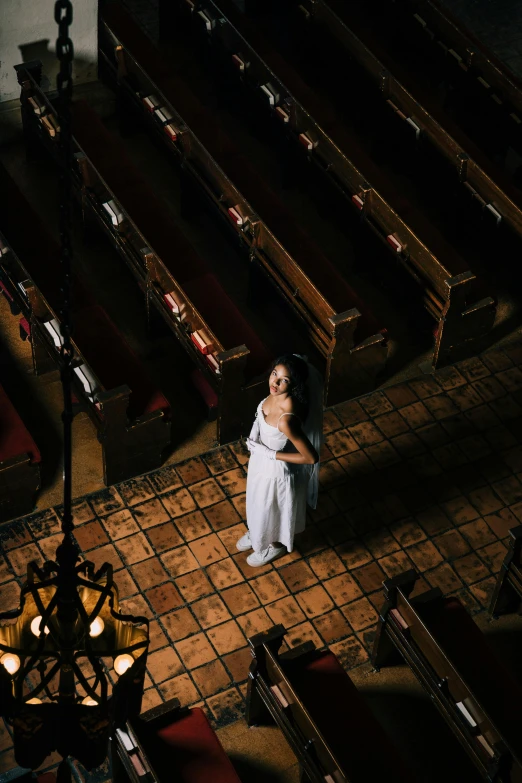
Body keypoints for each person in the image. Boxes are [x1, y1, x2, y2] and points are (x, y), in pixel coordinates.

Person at [237, 354, 323, 567]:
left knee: (271, 508)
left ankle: (274, 546)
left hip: (276, 473)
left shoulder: (287, 419)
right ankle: (257, 532)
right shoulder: (272, 395)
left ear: (293, 385)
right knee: (259, 503)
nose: (274, 382)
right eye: (275, 374)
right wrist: (255, 433)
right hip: (261, 465)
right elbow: (261, 415)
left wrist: (269, 454)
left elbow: (310, 457)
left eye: (284, 380)